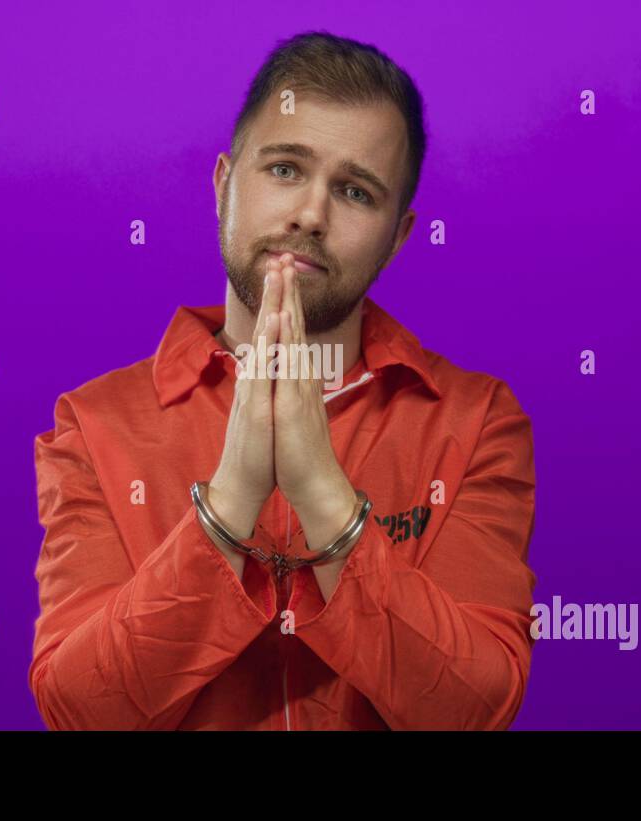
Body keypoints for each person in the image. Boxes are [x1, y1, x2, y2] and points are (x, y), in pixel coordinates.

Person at [29, 30, 537, 730]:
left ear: (397, 236)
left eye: (356, 191)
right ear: (223, 185)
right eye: (286, 170)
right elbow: (82, 710)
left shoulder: (477, 421)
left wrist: (322, 494)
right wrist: (234, 495)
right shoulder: (92, 425)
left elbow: (470, 710)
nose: (310, 216)